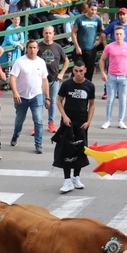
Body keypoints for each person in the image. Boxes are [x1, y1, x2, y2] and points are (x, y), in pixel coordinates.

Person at [53, 60, 95, 193]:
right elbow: (59, 101)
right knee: (66, 149)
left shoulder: (90, 86)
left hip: (82, 122)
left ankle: (76, 177)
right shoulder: (67, 84)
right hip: (68, 122)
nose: (78, 73)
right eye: (76, 71)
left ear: (85, 70)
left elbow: (92, 104)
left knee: (80, 150)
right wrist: (64, 116)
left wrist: (88, 121)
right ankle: (67, 180)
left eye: (81, 71)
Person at [9, 40, 50, 154]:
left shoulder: (41, 62)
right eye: (30, 47)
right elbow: (12, 78)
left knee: (38, 120)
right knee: (19, 120)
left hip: (37, 95)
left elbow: (44, 80)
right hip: (21, 96)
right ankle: (16, 134)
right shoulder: (20, 61)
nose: (32, 50)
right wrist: (15, 93)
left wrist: (47, 97)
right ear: (27, 48)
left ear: (38, 49)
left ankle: (38, 144)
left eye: (34, 47)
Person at [99, 26, 127, 129]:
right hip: (111, 76)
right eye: (117, 34)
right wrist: (103, 72)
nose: (118, 36)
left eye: (120, 34)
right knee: (110, 99)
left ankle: (121, 120)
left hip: (124, 77)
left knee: (122, 99)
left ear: (124, 35)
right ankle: (108, 120)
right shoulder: (109, 47)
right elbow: (102, 59)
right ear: (114, 35)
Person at [37, 25, 69, 134]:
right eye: (46, 33)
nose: (48, 35)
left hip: (54, 79)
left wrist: (62, 73)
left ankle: (51, 123)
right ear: (43, 33)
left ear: (53, 34)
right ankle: (38, 124)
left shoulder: (57, 47)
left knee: (53, 102)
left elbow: (66, 61)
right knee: (39, 102)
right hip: (41, 80)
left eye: (50, 33)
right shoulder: (38, 46)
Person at [71, 2, 104, 81]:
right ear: (88, 8)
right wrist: (77, 47)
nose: (93, 12)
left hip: (91, 49)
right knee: (78, 69)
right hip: (80, 49)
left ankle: (88, 85)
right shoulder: (80, 19)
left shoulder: (97, 19)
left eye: (95, 10)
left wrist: (99, 41)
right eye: (92, 9)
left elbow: (103, 31)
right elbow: (73, 33)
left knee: (89, 69)